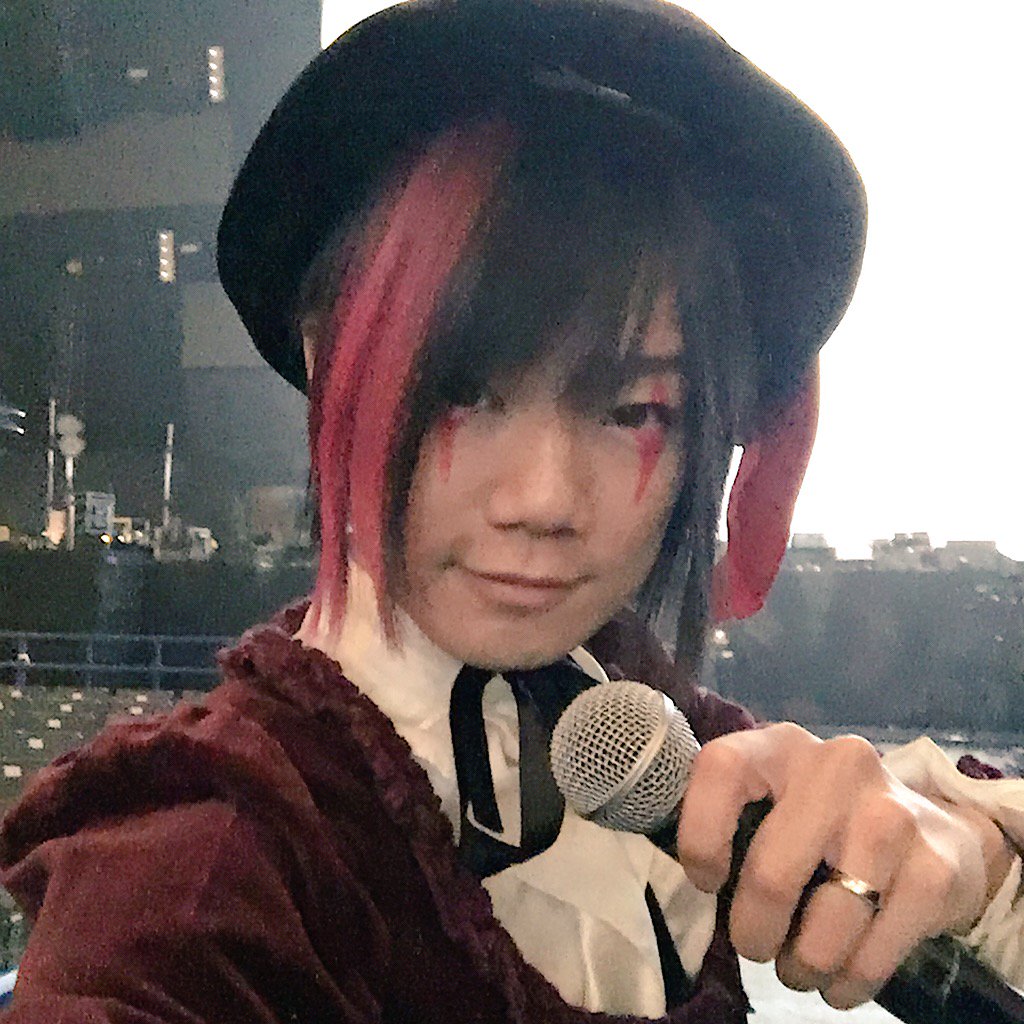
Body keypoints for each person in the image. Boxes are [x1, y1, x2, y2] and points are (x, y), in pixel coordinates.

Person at [1, 1, 1022, 1020]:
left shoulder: (638, 724)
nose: (544, 501)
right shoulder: (200, 870)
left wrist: (973, 858)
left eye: (634, 410)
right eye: (459, 390)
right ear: (327, 361)